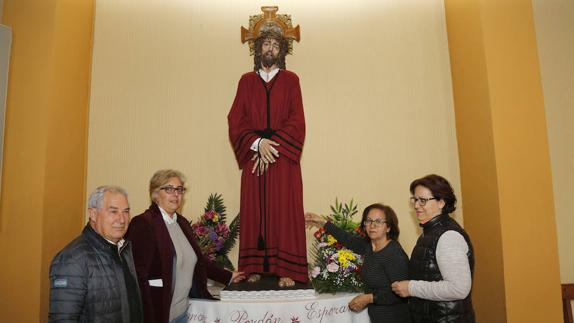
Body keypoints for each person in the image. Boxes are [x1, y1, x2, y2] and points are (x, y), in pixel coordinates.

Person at [228, 27, 307, 287]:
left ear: (282, 50)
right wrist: (257, 143)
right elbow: (236, 119)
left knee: (284, 210)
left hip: (282, 158)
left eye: (275, 44)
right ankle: (254, 268)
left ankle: (287, 270)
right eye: (266, 44)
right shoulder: (246, 81)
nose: (270, 48)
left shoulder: (291, 80)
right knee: (254, 211)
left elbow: (297, 121)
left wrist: (271, 146)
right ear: (258, 49)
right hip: (254, 157)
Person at [126, 169, 244, 323]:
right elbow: (138, 277)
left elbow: (198, 261)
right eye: (169, 189)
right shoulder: (144, 223)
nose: (176, 194)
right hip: (158, 315)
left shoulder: (182, 223)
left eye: (179, 190)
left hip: (182, 313)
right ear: (155, 194)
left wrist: (228, 276)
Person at [48, 186, 143, 323]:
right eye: (113, 211)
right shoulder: (72, 259)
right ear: (93, 214)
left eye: (126, 211)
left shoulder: (124, 249)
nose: (122, 219)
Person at [305, 203, 411, 322]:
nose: (372, 225)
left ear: (388, 227)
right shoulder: (369, 246)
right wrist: (322, 222)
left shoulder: (394, 254)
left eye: (379, 221)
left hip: (395, 318)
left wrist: (369, 298)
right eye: (369, 221)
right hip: (377, 317)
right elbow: (346, 239)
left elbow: (402, 293)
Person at [391, 174, 475, 322]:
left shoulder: (448, 236)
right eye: (415, 200)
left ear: (441, 202)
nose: (416, 205)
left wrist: (411, 288)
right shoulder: (430, 233)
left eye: (422, 200)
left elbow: (458, 289)